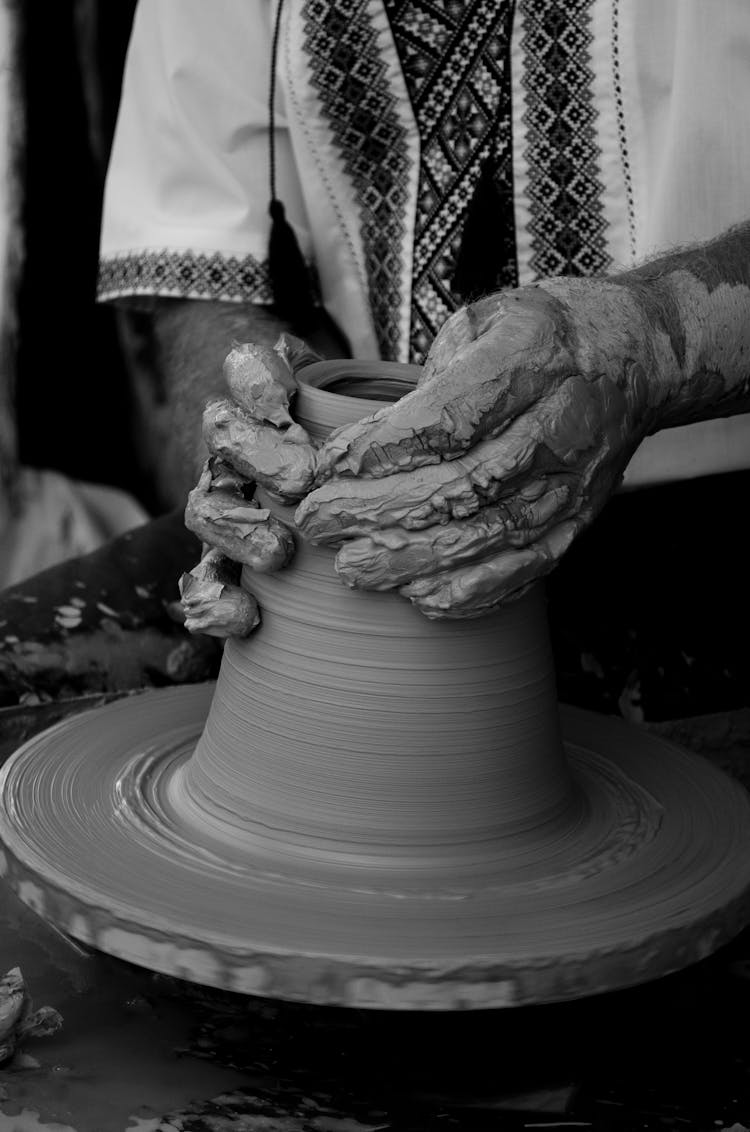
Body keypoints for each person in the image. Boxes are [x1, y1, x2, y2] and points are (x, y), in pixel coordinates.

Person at [3, 0, 749, 719]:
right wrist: (253, 435)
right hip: (347, 533)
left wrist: (651, 339)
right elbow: (201, 254)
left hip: (701, 509)